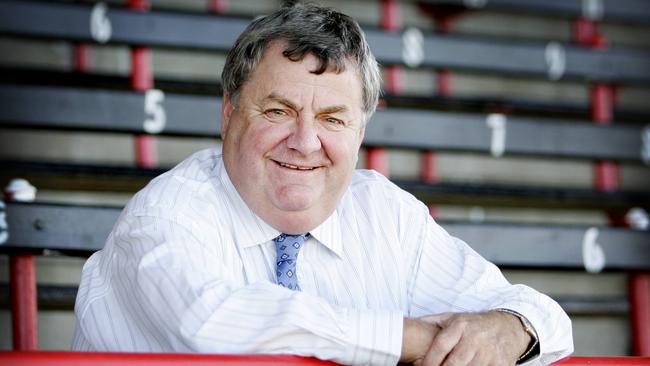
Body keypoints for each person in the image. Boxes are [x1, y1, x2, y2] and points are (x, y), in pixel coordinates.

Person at [72, 2, 573, 365]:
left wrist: (510, 330)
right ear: (228, 113)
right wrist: (408, 340)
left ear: (360, 132)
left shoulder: (385, 213)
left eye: (333, 119)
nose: (305, 142)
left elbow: (542, 317)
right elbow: (215, 325)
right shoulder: (167, 214)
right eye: (278, 111)